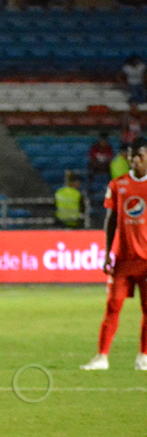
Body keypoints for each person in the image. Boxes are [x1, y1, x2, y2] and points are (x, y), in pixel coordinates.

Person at [80, 137, 147, 372]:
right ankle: (102, 357)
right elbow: (111, 220)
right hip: (123, 259)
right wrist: (108, 252)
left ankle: (143, 357)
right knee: (113, 307)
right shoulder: (118, 185)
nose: (134, 160)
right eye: (131, 155)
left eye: (139, 155)